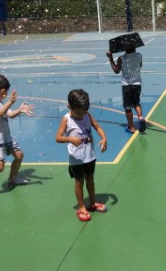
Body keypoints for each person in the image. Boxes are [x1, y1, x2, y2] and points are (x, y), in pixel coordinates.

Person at [55, 89, 108, 222]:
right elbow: (58, 137)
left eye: (84, 111)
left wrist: (104, 138)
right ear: (69, 106)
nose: (81, 114)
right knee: (79, 182)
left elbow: (98, 127)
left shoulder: (87, 115)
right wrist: (70, 139)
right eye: (78, 112)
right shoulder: (66, 120)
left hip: (90, 156)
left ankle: (92, 202)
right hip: (76, 158)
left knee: (90, 179)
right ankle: (82, 207)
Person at [0, 74, 34, 201]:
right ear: (2, 90)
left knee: (19, 155)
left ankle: (12, 179)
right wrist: (10, 102)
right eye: (6, 91)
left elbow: (9, 114)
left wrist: (19, 110)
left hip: (6, 138)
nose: (6, 94)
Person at [107, 46, 146, 133]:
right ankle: (140, 118)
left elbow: (116, 70)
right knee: (136, 103)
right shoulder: (139, 55)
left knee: (128, 107)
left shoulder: (121, 58)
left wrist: (111, 59)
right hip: (137, 84)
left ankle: (131, 127)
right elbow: (140, 65)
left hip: (127, 85)